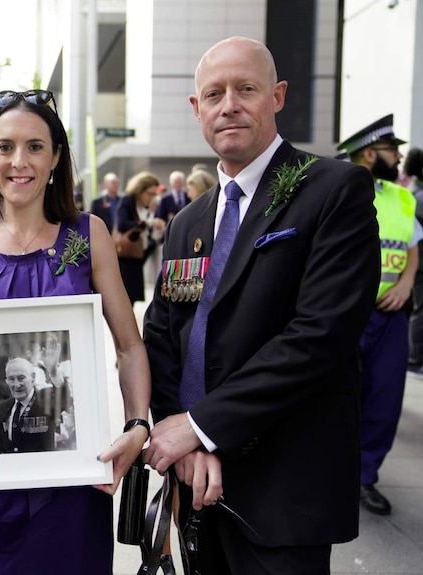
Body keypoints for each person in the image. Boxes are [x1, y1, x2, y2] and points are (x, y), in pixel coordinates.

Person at [142, 36, 380, 574]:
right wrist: (183, 438)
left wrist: (200, 425)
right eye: (214, 93)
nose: (229, 104)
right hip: (199, 490)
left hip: (283, 493)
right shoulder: (187, 222)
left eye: (245, 89)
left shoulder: (335, 190)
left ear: (277, 95)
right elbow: (161, 337)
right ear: (196, 108)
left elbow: (320, 337)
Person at [0, 89, 151, 575]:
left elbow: (129, 345)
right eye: (4, 146)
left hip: (71, 473)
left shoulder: (87, 235)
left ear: (56, 157)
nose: (19, 161)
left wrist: (137, 425)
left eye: (35, 146)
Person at [338, 116, 421, 516]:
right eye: (393, 150)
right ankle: (331, 472)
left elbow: (412, 244)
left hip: (389, 317)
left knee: (384, 401)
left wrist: (406, 283)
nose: (400, 156)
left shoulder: (402, 197)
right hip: (345, 315)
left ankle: (364, 477)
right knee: (338, 397)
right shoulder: (336, 190)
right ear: (370, 153)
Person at [0, 357, 69, 454]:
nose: (16, 385)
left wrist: (54, 372)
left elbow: (63, 396)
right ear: (6, 381)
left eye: (21, 378)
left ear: (33, 378)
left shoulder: (44, 401)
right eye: (11, 379)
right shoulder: (3, 408)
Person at [115, 171, 164, 304]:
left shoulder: (146, 206)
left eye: (154, 194)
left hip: (139, 255)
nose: (151, 197)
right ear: (140, 190)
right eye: (150, 194)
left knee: (134, 297)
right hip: (127, 255)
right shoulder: (128, 201)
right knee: (126, 297)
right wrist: (146, 223)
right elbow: (122, 224)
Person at [404, 148, 423, 372]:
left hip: (415, 262)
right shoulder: (418, 195)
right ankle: (416, 358)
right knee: (420, 310)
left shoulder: (412, 191)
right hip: (419, 264)